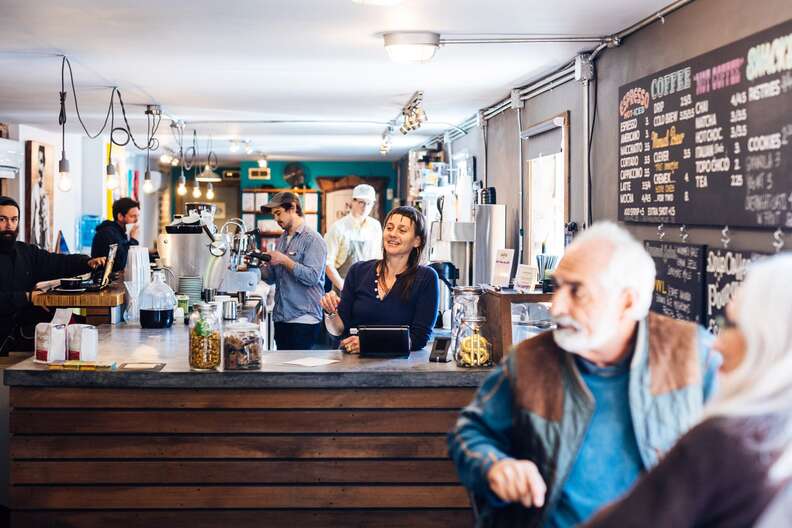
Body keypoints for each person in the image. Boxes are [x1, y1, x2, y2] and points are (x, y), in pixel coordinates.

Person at [447, 221, 722, 527]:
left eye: (577, 291)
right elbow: (471, 433)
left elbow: (739, 464)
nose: (557, 306)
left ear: (627, 301)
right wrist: (496, 466)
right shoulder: (530, 361)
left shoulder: (693, 356)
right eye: (558, 287)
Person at [584, 254, 792, 528]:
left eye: (730, 326)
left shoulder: (723, 442)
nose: (716, 345)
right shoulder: (775, 440)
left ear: (767, 340)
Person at [320, 206, 439, 353]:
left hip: (400, 369)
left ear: (417, 241)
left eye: (402, 230)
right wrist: (330, 311)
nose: (393, 234)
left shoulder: (426, 278)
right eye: (389, 228)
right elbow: (339, 329)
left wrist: (369, 343)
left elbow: (418, 339)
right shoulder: (358, 271)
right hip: (353, 368)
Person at [0, 196, 105, 354]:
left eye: (14, 220)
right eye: (2, 219)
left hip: (26, 328)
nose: (9, 225)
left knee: (86, 330)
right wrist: (27, 297)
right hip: (5, 335)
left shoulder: (26, 252)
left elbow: (57, 262)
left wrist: (87, 262)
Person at [260, 192, 327, 350]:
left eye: (278, 213)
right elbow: (273, 278)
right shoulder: (283, 238)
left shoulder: (314, 239)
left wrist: (283, 260)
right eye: (274, 215)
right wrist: (256, 265)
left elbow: (312, 277)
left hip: (303, 320)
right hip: (282, 317)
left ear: (292, 208)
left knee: (300, 374)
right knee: (284, 372)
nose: (276, 219)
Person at [324, 184, 382, 292]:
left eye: (369, 203)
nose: (365, 207)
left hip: (368, 287)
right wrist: (344, 288)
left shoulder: (376, 227)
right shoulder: (338, 228)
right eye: (361, 202)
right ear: (353, 201)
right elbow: (327, 264)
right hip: (342, 286)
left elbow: (378, 258)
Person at [91, 197, 140, 272]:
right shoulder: (108, 233)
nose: (136, 220)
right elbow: (121, 264)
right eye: (133, 216)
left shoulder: (120, 233)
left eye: (137, 216)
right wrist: (133, 240)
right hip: (105, 281)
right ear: (120, 216)